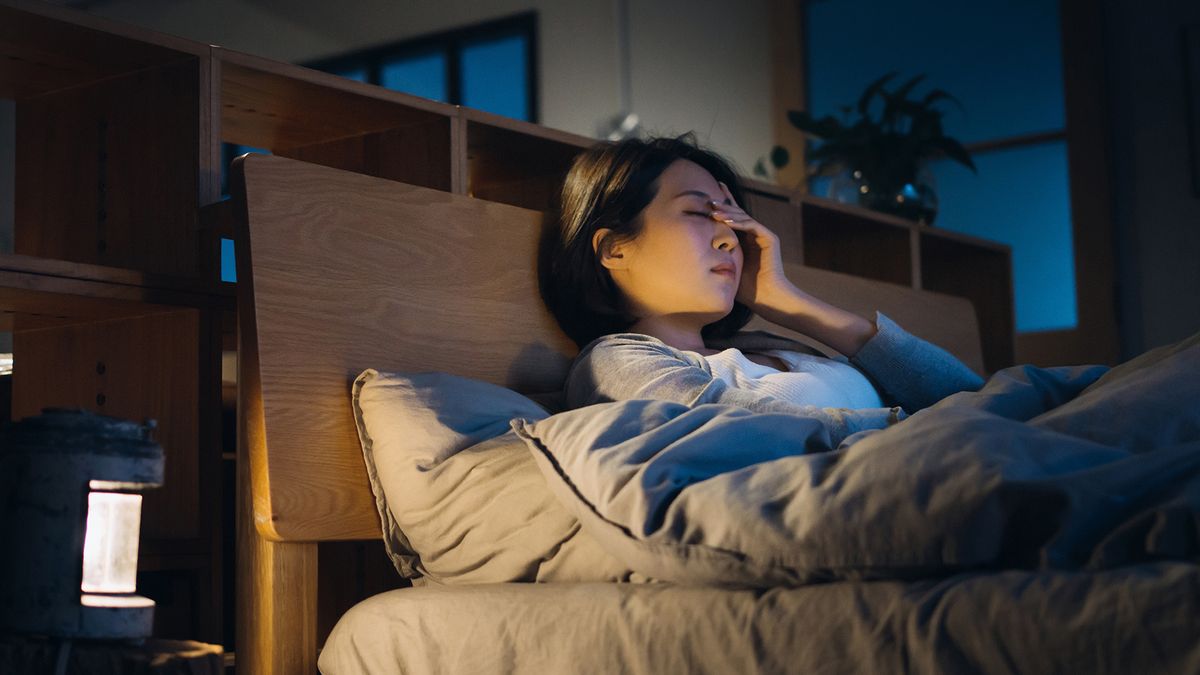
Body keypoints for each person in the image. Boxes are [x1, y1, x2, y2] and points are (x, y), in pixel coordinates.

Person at [539, 133, 985, 445]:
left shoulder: (763, 346)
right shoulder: (615, 363)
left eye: (731, 219)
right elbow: (749, 430)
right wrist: (933, 425)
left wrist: (787, 302)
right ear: (615, 249)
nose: (729, 237)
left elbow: (967, 393)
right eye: (699, 213)